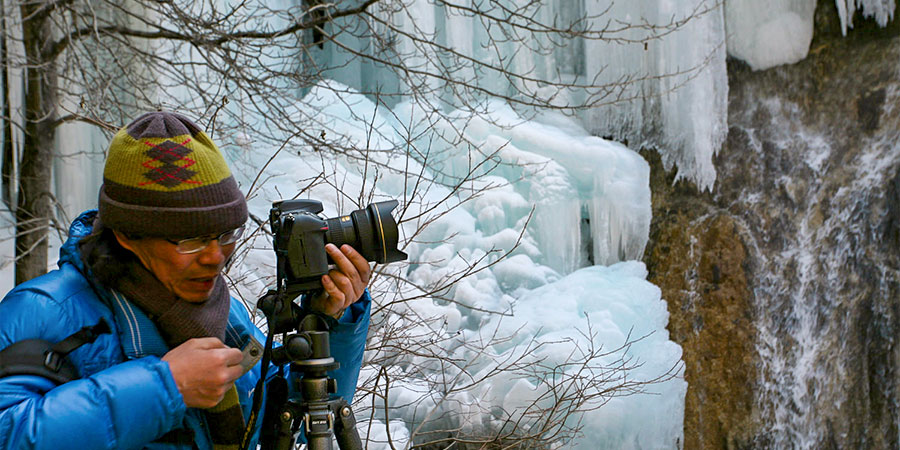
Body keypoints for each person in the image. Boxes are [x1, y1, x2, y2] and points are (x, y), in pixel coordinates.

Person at [0, 111, 372, 449]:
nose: (215, 258)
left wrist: (328, 323)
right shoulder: (42, 310)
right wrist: (166, 387)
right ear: (127, 235)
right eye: (190, 240)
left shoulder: (223, 315)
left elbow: (283, 416)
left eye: (226, 234)